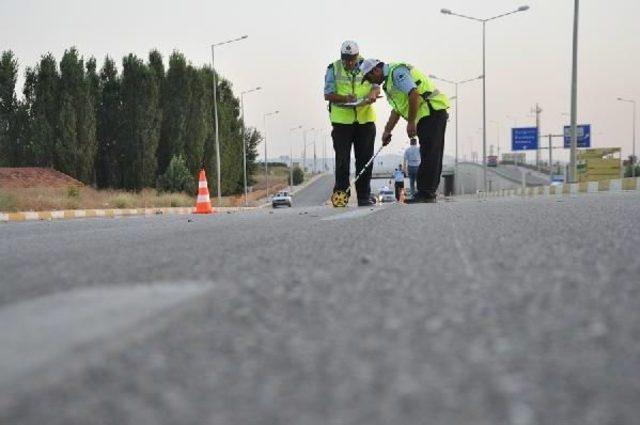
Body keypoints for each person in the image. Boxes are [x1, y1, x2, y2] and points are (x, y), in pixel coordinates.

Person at [360, 59, 449, 203]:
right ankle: (427, 192)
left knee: (430, 153)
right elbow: (397, 109)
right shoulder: (389, 83)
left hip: (432, 110)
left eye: (369, 78)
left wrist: (411, 121)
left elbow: (413, 93)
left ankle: (426, 193)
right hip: (425, 114)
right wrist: (387, 131)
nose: (371, 83)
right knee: (428, 152)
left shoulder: (397, 73)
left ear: (376, 70)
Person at [324, 41, 380, 206]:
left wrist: (372, 94)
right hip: (342, 122)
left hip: (365, 120)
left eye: (352, 59)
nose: (349, 62)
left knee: (365, 160)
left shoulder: (368, 65)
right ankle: (341, 198)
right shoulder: (333, 68)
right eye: (345, 59)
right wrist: (344, 98)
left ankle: (363, 196)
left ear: (357, 56)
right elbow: (328, 94)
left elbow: (377, 87)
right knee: (342, 162)